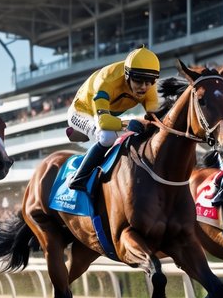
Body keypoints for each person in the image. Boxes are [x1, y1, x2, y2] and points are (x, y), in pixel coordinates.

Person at [66, 46, 161, 192]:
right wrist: (128, 124)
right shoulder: (107, 81)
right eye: (139, 82)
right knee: (106, 136)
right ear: (127, 75)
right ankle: (78, 178)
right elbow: (104, 122)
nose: (143, 87)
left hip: (109, 112)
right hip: (82, 112)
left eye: (148, 82)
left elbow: (155, 120)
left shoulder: (149, 87)